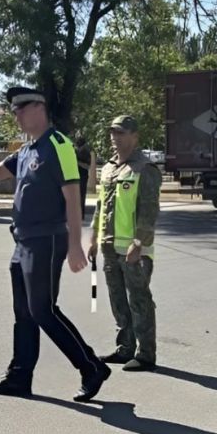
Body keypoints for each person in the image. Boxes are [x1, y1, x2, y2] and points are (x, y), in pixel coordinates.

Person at [0, 86, 111, 403]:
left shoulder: (59, 146)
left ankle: (91, 367)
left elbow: (72, 195)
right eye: (13, 110)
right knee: (24, 313)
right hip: (22, 241)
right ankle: (19, 377)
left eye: (21, 108)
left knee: (43, 310)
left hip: (47, 239)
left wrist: (76, 244)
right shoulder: (26, 151)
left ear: (40, 107)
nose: (16, 115)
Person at [88, 116, 161, 372]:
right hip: (109, 246)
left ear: (134, 136)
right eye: (112, 133)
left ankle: (145, 354)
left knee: (138, 300)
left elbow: (149, 210)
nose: (114, 138)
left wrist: (139, 243)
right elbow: (101, 206)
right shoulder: (108, 168)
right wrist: (94, 237)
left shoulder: (144, 168)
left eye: (120, 133)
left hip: (134, 249)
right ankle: (125, 348)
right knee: (118, 300)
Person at [74, 135, 93, 220]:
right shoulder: (74, 150)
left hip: (82, 177)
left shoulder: (85, 152)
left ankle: (80, 216)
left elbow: (87, 166)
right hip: (73, 177)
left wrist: (77, 162)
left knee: (81, 196)